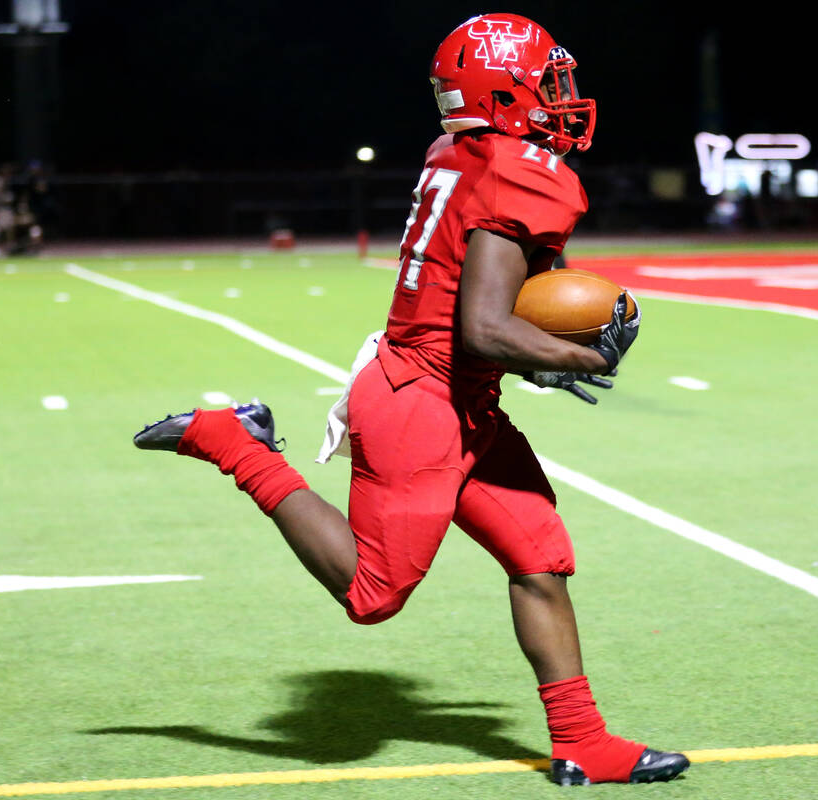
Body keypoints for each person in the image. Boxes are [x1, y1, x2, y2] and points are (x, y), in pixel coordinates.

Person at [134, 13, 688, 786]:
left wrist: (549, 349)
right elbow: (489, 328)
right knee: (371, 595)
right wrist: (579, 353)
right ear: (503, 92)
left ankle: (582, 741)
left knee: (540, 559)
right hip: (422, 399)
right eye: (548, 82)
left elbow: (486, 314)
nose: (563, 97)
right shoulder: (523, 170)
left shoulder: (459, 150)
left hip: (457, 394)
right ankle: (235, 444)